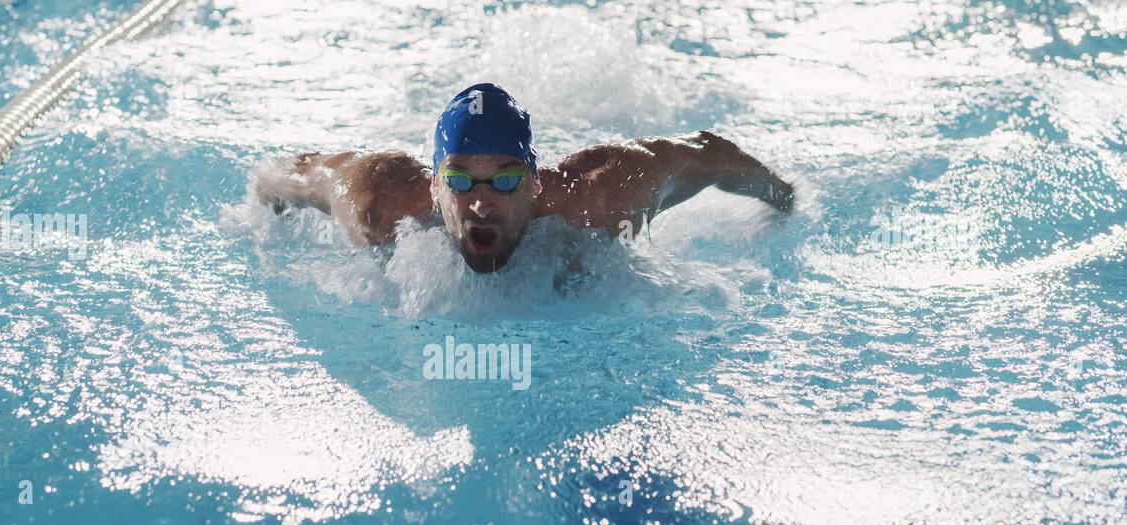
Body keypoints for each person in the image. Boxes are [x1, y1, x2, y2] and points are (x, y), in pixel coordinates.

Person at [255, 82, 794, 274]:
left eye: (506, 180)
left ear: (536, 182)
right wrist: (261, 200)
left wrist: (784, 199)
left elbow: (708, 153)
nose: (482, 204)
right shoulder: (379, 204)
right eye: (462, 182)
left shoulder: (604, 200)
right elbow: (301, 175)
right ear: (434, 186)